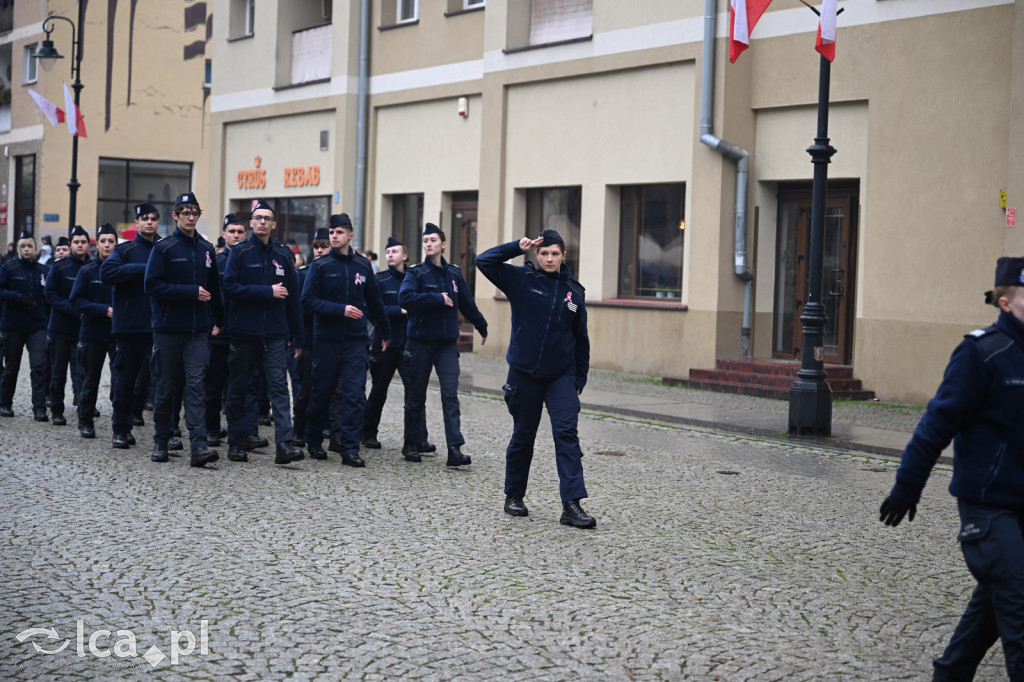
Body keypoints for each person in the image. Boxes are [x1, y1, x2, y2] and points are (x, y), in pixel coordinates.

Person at [879, 256, 1024, 681]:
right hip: (989, 511)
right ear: (1005, 303)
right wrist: (907, 488)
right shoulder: (982, 354)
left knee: (991, 614)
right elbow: (935, 426)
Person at [476, 230, 595, 528]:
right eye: (544, 253)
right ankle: (514, 495)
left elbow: (581, 339)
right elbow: (484, 261)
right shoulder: (521, 280)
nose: (549, 258)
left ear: (564, 256)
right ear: (536, 255)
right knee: (523, 435)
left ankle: (571, 505)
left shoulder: (574, 292)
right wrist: (516, 247)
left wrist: (579, 377)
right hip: (524, 374)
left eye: (555, 253)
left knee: (567, 435)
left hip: (562, 376)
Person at [300, 212, 389, 465]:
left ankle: (350, 448)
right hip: (327, 340)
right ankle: (314, 439)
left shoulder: (362, 266)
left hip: (356, 341)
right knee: (322, 393)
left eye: (339, 232)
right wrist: (340, 309)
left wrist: (385, 333)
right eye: (331, 232)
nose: (334, 236)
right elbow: (307, 301)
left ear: (350, 235)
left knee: (353, 394)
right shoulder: (321, 266)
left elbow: (376, 302)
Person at [144, 192, 224, 467]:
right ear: (175, 216)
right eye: (185, 212)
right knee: (166, 387)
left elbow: (214, 289)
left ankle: (199, 447)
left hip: (198, 330)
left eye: (195, 212)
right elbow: (152, 285)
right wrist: (189, 292)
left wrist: (219, 319)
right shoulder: (163, 248)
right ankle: (161, 441)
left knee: (197, 387)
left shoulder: (206, 248)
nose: (191, 217)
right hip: (168, 329)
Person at [222, 200, 305, 465]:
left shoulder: (282, 255)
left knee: (279, 389)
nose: (261, 222)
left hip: (275, 334)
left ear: (273, 224)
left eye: (266, 218)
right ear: (251, 223)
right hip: (245, 332)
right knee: (239, 387)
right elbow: (230, 288)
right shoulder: (240, 252)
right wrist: (266, 291)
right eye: (257, 218)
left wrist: (298, 336)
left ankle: (284, 445)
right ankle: (236, 442)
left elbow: (293, 299)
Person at [398, 222, 487, 467]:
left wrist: (481, 325)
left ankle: (454, 449)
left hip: (447, 345)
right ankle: (410, 442)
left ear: (443, 244)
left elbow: (467, 303)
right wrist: (437, 298)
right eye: (425, 240)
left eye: (433, 240)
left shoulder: (455, 273)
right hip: (420, 344)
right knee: (416, 396)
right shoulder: (415, 273)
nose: (429, 244)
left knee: (450, 395)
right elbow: (405, 298)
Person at [361, 236, 434, 453]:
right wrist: (399, 310)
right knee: (379, 389)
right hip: (385, 344)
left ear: (405, 256)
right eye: (388, 252)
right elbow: (371, 310)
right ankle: (368, 432)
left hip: (411, 344)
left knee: (415, 393)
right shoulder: (380, 280)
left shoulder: (415, 278)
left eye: (394, 252)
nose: (390, 255)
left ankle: (417, 438)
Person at [102, 202, 160, 450]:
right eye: (144, 218)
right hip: (128, 327)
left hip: (159, 327)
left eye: (153, 218)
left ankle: (165, 433)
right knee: (124, 382)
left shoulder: (164, 249)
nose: (149, 222)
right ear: (137, 223)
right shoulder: (125, 250)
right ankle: (121, 429)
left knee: (162, 383)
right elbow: (108, 273)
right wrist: (144, 269)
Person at [69, 224, 117, 438]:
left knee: (122, 381)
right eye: (103, 241)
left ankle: (121, 425)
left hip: (118, 333)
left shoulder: (121, 269)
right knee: (90, 380)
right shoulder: (87, 270)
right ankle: (85, 421)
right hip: (92, 333)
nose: (107, 245)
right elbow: (76, 301)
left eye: (111, 241)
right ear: (96, 244)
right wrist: (102, 310)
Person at [44, 225, 91, 425]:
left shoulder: (93, 267)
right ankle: (56, 410)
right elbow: (50, 295)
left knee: (83, 372)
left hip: (85, 330)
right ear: (70, 244)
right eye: (76, 242)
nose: (80, 245)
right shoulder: (59, 266)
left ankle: (84, 408)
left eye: (83, 242)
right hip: (60, 328)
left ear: (88, 245)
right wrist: (75, 310)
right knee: (58, 373)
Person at [0, 232, 49, 418]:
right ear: (18, 249)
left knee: (39, 366)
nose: (27, 249)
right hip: (13, 324)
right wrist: (18, 298)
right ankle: (5, 403)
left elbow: (49, 297)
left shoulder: (43, 270)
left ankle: (39, 407)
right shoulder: (8, 268)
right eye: (23, 246)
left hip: (37, 325)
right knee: (11, 367)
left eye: (30, 246)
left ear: (35, 248)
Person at [292, 227, 331, 447]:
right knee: (305, 386)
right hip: (307, 337)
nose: (319, 250)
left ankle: (322, 425)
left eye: (323, 246)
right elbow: (298, 308)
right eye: (316, 246)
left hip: (327, 337)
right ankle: (299, 429)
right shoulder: (303, 274)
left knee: (328, 387)